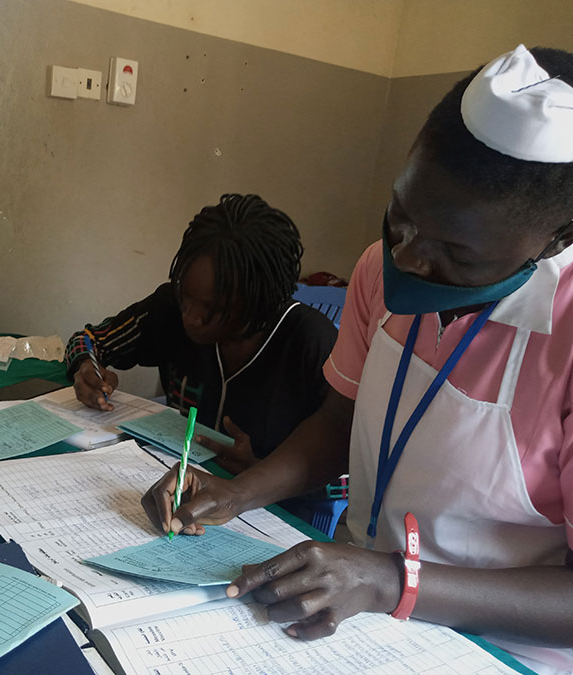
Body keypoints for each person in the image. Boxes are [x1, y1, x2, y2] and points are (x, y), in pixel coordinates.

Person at [141, 46, 573, 674]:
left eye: (457, 254)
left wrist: (393, 582)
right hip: (354, 604)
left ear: (557, 238)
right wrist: (237, 495)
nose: (411, 259)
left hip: (499, 650)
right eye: (401, 217)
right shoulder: (378, 270)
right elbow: (339, 426)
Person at [65, 193, 338, 473]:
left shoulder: (310, 342)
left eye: (213, 308)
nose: (191, 317)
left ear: (257, 301)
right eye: (187, 295)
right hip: (169, 479)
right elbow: (87, 340)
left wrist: (259, 471)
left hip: (268, 509)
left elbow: (345, 471)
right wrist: (86, 367)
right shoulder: (170, 308)